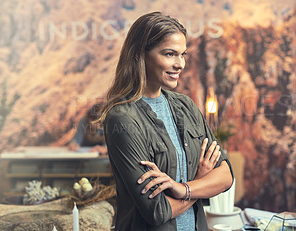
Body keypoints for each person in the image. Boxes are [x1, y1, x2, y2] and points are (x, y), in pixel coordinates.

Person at [97, 12, 234, 230]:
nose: (180, 64)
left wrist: (184, 189)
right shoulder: (122, 119)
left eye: (182, 54)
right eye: (169, 54)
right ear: (139, 55)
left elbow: (226, 175)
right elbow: (158, 211)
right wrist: (201, 182)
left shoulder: (186, 106)